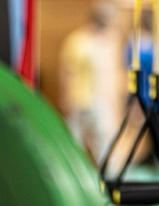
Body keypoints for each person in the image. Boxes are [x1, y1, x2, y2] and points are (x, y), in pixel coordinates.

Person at [59, 2, 120, 164]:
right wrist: (66, 97)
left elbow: (108, 75)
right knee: (73, 142)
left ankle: (108, 178)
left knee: (103, 144)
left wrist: (112, 102)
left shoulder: (104, 43)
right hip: (78, 100)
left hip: (98, 101)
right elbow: (66, 70)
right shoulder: (77, 40)